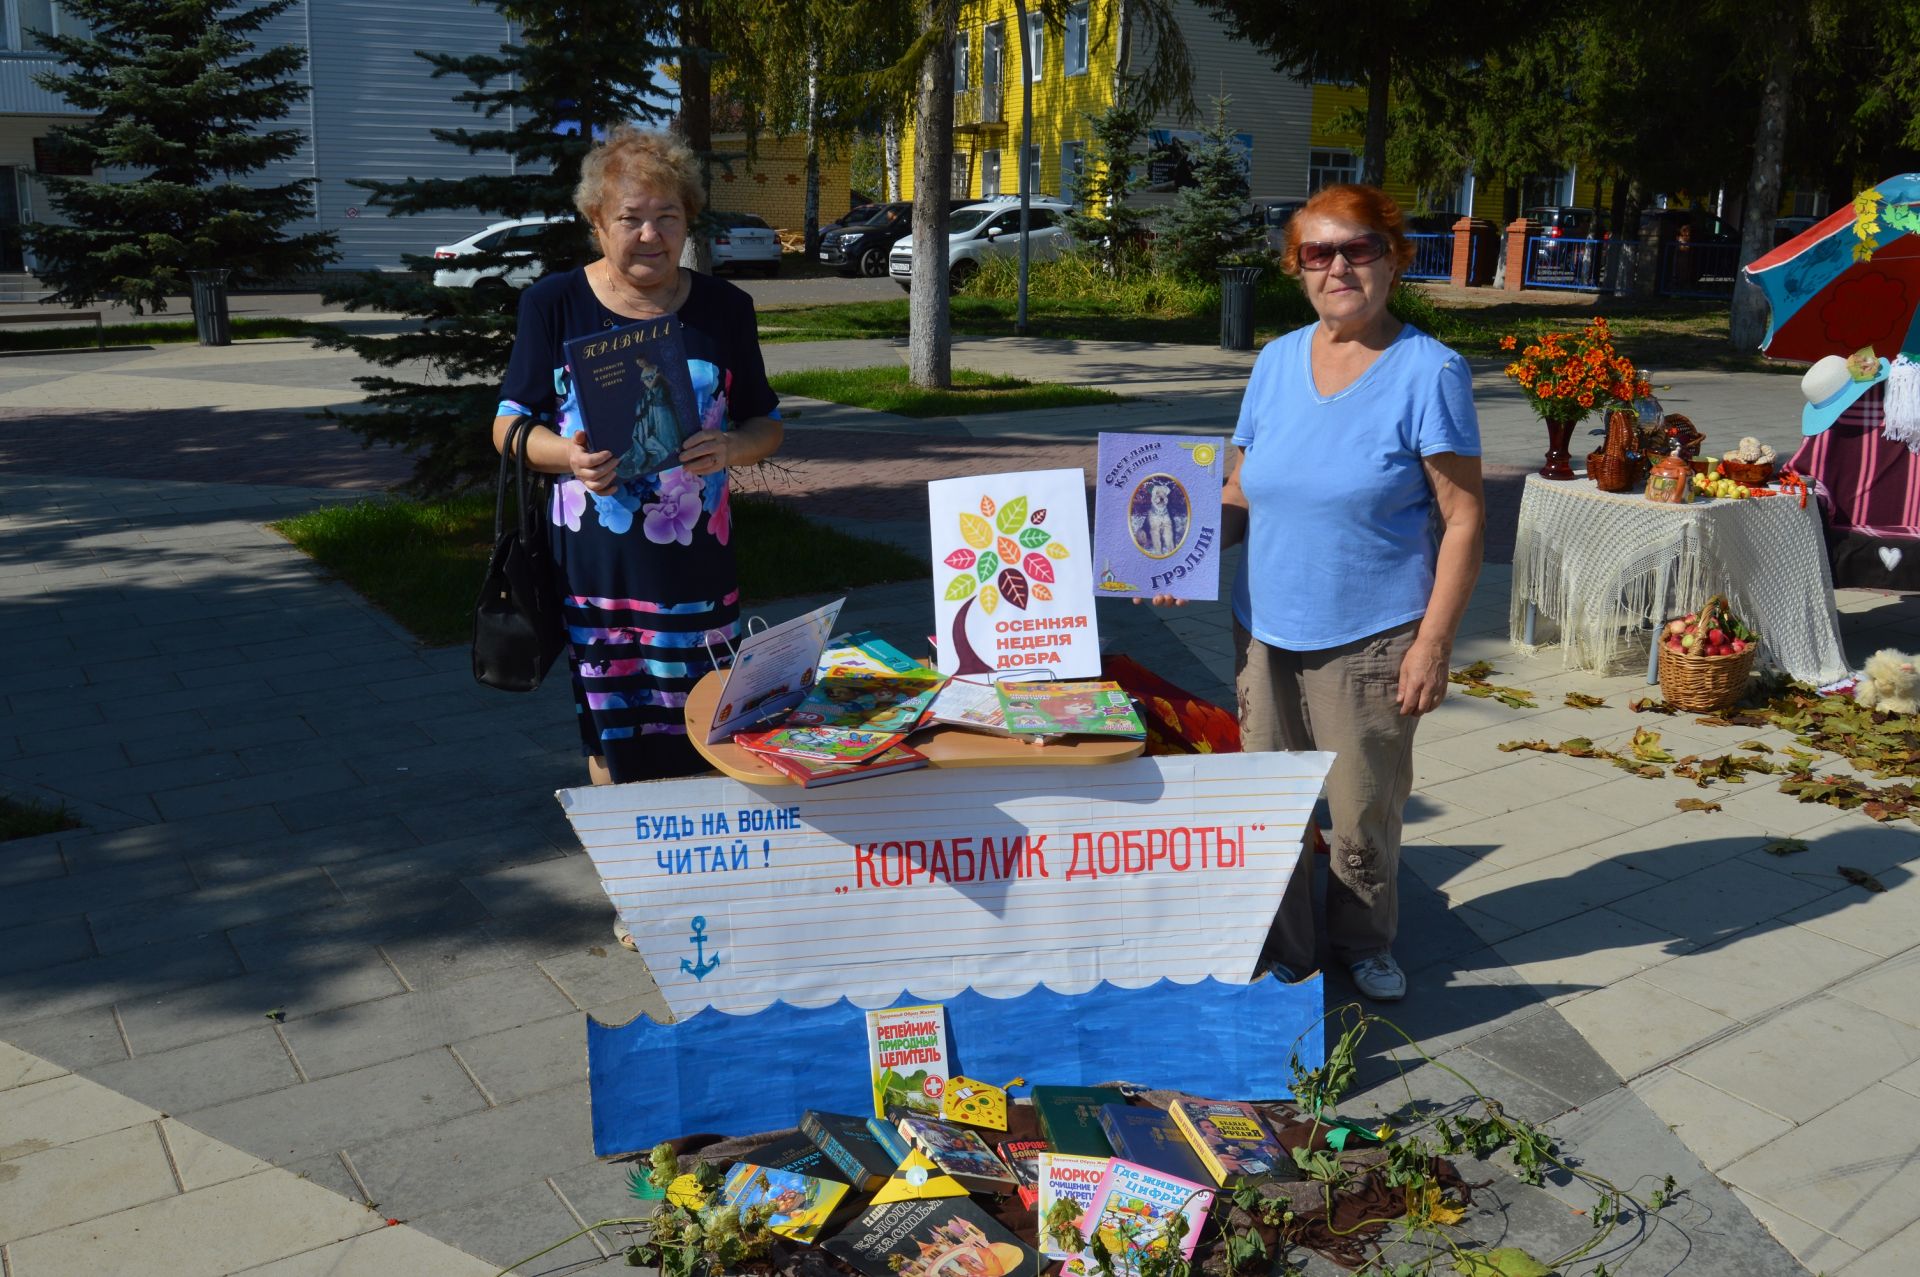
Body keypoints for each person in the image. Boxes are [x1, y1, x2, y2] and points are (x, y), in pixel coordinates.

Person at [1148, 184, 1484, 1002]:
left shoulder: (1428, 371)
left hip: (1370, 637)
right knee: (1273, 807)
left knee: (1362, 810)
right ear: (1297, 268)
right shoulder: (1274, 362)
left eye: (1358, 248)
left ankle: (1364, 940)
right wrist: (1171, 554)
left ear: (1395, 259)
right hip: (1264, 633)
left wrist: (1433, 644)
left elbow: (1464, 519)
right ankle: (1291, 951)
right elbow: (1242, 490)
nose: (1339, 266)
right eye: (1318, 252)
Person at [493, 128, 784, 945]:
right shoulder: (553, 304)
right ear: (596, 222)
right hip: (596, 566)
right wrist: (566, 455)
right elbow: (509, 425)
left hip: (697, 565)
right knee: (612, 724)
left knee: (701, 720)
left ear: (689, 221)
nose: (649, 234)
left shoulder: (726, 309)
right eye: (630, 217)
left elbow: (768, 423)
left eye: (666, 216)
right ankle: (641, 894)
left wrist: (734, 445)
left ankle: (706, 883)